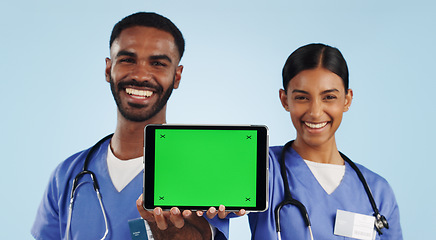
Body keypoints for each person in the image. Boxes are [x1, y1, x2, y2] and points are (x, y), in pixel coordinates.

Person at [31, 12, 227, 240]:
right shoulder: (66, 175)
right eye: (127, 60)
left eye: (157, 63)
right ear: (108, 69)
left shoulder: (202, 173)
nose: (141, 75)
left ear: (177, 76)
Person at [247, 43, 403, 239]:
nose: (315, 112)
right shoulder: (261, 168)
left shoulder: (377, 191)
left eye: (329, 97)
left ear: (347, 100)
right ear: (285, 100)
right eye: (302, 98)